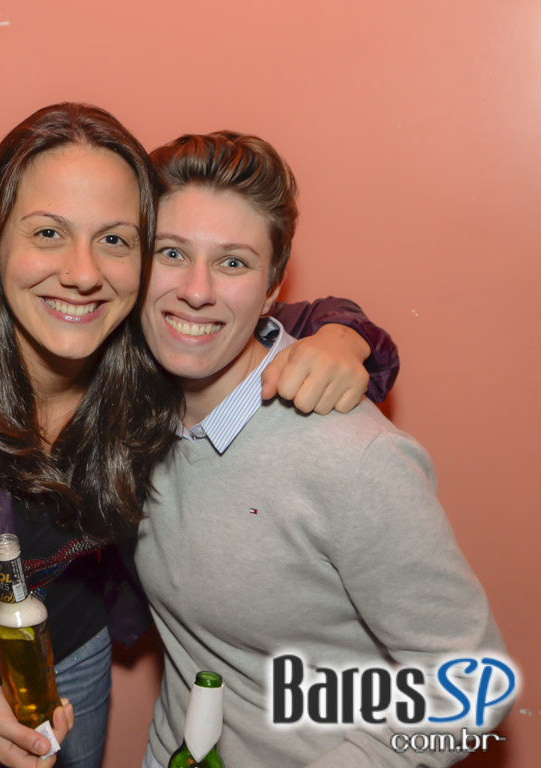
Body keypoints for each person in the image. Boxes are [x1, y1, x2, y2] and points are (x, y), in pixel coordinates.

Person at [0, 103, 400, 768]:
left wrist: (345, 335)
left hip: (71, 650)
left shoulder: (149, 351)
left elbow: (255, 311)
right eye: (48, 233)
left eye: (113, 240)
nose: (83, 274)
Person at [134, 131, 510, 767]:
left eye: (233, 263)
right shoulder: (131, 409)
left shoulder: (351, 458)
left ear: (272, 287)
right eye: (171, 252)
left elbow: (472, 687)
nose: (196, 289)